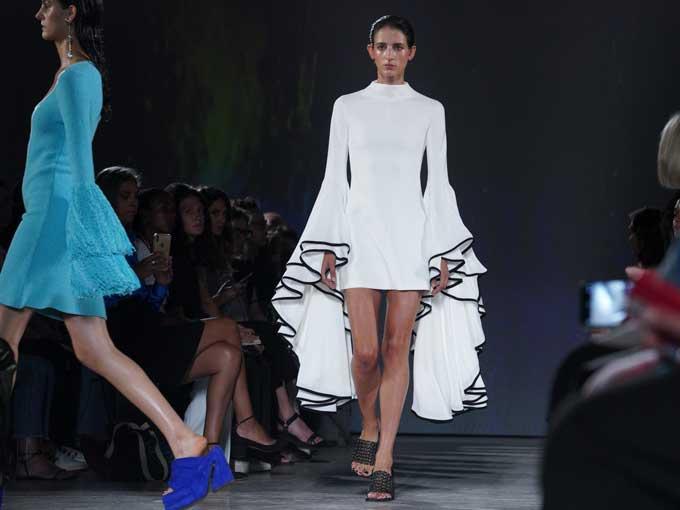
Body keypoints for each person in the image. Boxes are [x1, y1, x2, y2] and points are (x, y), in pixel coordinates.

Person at [0, 2, 231, 507]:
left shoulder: (78, 75)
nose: (38, 13)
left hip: (50, 224)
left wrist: (89, 241)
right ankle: (185, 441)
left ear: (71, 11)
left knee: (6, 343)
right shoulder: (71, 74)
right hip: (51, 220)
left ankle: (185, 443)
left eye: (47, 4)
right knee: (94, 351)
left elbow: (81, 166)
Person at [272, 15, 487, 501]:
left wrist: (441, 250)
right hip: (360, 236)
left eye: (398, 47)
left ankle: (385, 455)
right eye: (382, 46)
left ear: (412, 53)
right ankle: (369, 423)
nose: (390, 55)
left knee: (396, 347)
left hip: (411, 236)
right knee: (365, 353)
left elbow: (438, 182)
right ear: (370, 51)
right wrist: (329, 243)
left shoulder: (430, 110)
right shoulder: (347, 106)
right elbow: (334, 178)